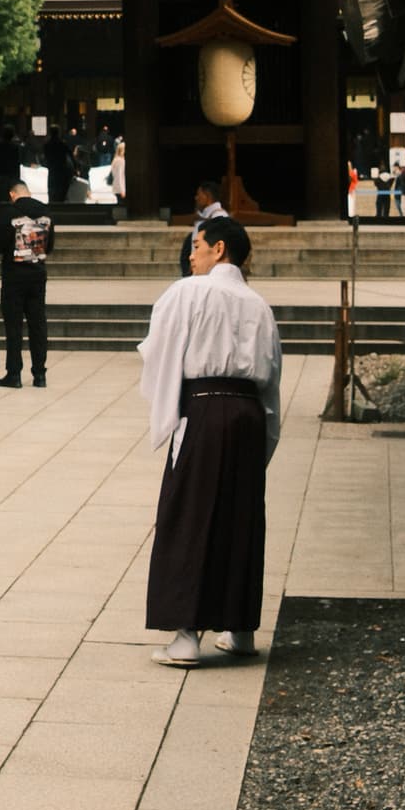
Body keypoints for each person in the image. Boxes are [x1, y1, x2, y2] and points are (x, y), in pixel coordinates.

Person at [138, 212, 281, 667]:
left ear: (219, 249)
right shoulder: (258, 303)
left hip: (205, 407)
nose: (191, 254)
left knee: (191, 514)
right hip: (248, 413)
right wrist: (266, 437)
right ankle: (240, 629)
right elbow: (272, 376)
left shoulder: (189, 292)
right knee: (241, 516)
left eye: (197, 246)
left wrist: (170, 412)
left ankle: (186, 635)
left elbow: (159, 350)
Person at [0, 176, 51, 388]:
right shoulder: (45, 212)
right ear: (29, 193)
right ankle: (40, 374)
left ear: (12, 195)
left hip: (14, 276)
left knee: (14, 326)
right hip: (37, 275)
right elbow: (49, 246)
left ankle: (14, 374)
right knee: (38, 325)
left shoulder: (8, 213)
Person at [178, 181, 229, 277]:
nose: (196, 198)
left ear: (207, 196)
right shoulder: (204, 217)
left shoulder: (220, 217)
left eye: (199, 194)